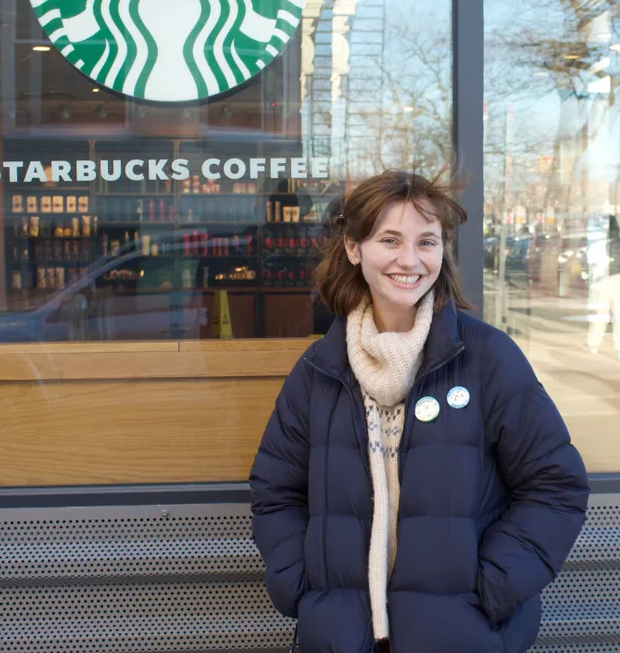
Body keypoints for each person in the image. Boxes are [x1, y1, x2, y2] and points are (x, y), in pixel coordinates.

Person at [249, 170, 590, 653]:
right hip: (342, 636)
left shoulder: (487, 358)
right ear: (353, 248)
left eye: (426, 242)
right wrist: (303, 590)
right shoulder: (319, 370)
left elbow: (555, 487)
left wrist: (488, 591)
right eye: (390, 240)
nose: (409, 260)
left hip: (458, 635)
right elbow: (275, 491)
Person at [587, 215, 620, 359]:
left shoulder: (601, 245)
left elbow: (596, 266)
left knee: (601, 314)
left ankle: (594, 344)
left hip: (605, 281)